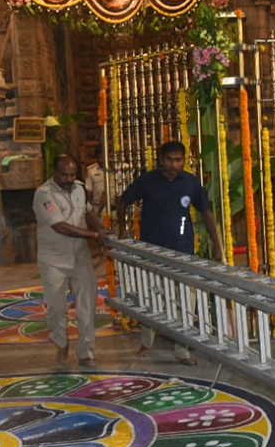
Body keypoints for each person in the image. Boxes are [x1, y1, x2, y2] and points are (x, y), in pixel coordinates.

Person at [115, 140, 224, 365]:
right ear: (160, 159)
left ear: (184, 160)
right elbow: (123, 201)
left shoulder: (190, 183)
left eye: (178, 160)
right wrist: (122, 229)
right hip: (151, 252)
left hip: (183, 250)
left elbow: (207, 213)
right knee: (149, 299)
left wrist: (217, 245)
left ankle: (182, 350)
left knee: (185, 300)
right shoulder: (148, 180)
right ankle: (146, 342)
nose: (174, 164)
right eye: (169, 159)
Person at [34, 154, 112, 368]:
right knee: (56, 308)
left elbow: (87, 213)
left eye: (72, 174)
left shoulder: (78, 188)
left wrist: (101, 228)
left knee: (87, 306)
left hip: (80, 257)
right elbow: (60, 226)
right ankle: (61, 342)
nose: (69, 178)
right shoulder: (44, 194)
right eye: (64, 175)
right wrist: (95, 237)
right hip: (54, 261)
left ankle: (86, 352)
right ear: (53, 172)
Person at [83, 145, 107, 216]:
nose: (101, 160)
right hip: (100, 209)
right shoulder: (91, 170)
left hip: (119, 208)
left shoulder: (123, 168)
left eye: (103, 157)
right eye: (98, 158)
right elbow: (89, 193)